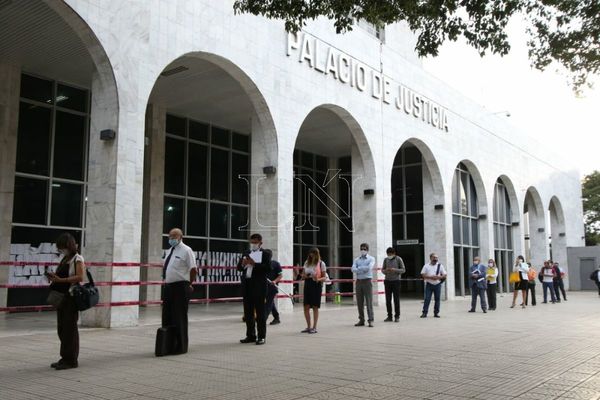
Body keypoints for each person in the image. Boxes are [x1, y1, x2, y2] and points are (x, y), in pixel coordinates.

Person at [46, 233, 85, 370]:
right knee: (62, 328)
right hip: (62, 297)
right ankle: (64, 357)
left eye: (62, 247)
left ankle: (71, 360)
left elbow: (80, 277)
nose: (61, 250)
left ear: (69, 246)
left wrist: (60, 280)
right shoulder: (65, 259)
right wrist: (53, 277)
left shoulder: (77, 258)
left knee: (70, 329)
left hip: (71, 297)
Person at [161, 228, 197, 355]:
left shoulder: (186, 250)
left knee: (179, 317)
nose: (171, 239)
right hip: (168, 286)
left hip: (181, 287)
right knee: (167, 316)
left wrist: (189, 284)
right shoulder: (169, 250)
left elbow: (193, 269)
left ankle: (181, 347)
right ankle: (168, 344)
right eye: (170, 236)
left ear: (181, 237)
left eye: (174, 236)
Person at [237, 233, 272, 345]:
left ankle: (261, 336)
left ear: (260, 243)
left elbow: (268, 269)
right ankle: (251, 335)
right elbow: (239, 268)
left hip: (259, 287)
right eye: (252, 242)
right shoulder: (246, 253)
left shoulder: (265, 254)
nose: (253, 244)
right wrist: (243, 264)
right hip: (247, 286)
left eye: (255, 242)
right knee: (248, 313)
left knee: (260, 314)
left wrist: (254, 264)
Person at [300, 248, 327, 334]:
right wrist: (305, 276)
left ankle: (314, 327)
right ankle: (308, 326)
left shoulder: (321, 263)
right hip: (307, 284)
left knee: (315, 306)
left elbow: (325, 277)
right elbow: (303, 275)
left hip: (316, 285)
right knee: (306, 306)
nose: (312, 255)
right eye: (311, 253)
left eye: (314, 253)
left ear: (317, 254)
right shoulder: (306, 262)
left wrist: (318, 279)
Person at [352, 243, 376, 327]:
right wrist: (363, 268)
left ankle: (371, 320)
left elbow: (369, 268)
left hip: (367, 281)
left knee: (369, 302)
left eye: (365, 249)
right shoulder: (356, 259)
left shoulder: (371, 258)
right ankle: (361, 320)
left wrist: (359, 269)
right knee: (359, 302)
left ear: (367, 250)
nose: (363, 250)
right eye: (362, 248)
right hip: (358, 282)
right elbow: (353, 269)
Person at [381, 247, 405, 322]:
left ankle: (397, 316)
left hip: (396, 281)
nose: (389, 255)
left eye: (390, 254)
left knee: (396, 299)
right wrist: (386, 271)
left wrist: (395, 270)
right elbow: (382, 270)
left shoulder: (398, 259)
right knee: (388, 300)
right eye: (388, 254)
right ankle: (389, 316)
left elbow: (403, 270)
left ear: (394, 253)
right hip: (387, 281)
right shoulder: (385, 259)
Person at [420, 253, 447, 318]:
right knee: (427, 299)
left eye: (436, 258)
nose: (435, 259)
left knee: (437, 299)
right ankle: (424, 313)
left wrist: (438, 277)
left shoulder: (440, 266)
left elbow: (445, 275)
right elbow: (423, 275)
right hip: (429, 284)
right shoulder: (426, 266)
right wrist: (430, 277)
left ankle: (436, 313)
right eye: (434, 257)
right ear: (431, 258)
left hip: (437, 284)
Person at [265, 259, 282, 325]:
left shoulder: (276, 264)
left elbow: (280, 275)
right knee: (270, 302)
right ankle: (276, 318)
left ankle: (263, 320)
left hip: (272, 287)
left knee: (268, 304)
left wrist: (275, 281)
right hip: (264, 287)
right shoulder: (262, 264)